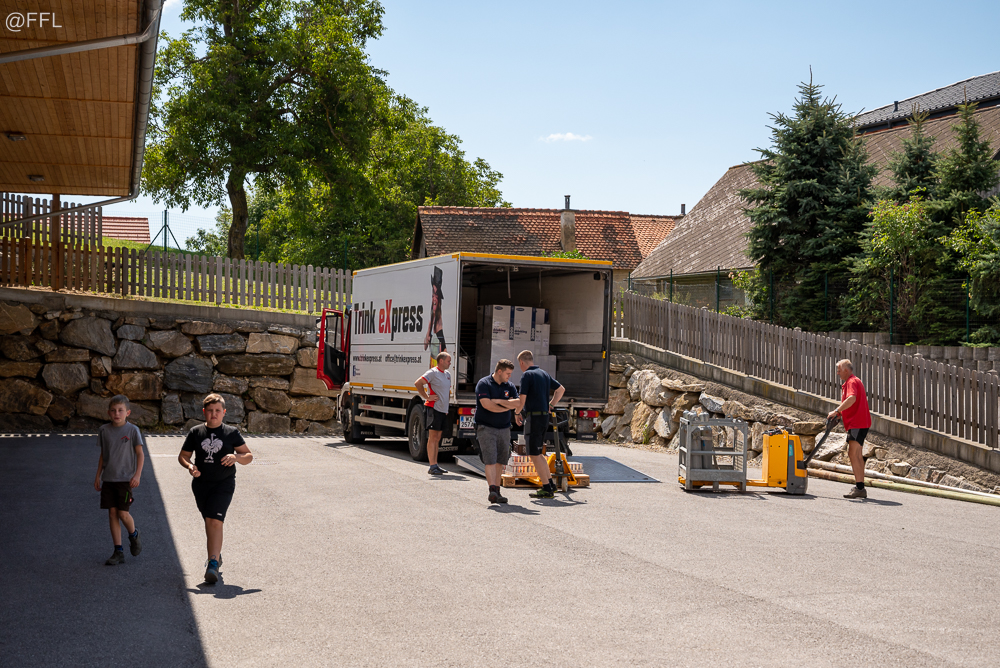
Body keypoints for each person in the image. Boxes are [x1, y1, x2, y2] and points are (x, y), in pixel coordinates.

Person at [179, 394, 254, 584]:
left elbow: (248, 456)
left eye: (218, 411)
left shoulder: (231, 433)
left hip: (224, 483)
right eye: (210, 411)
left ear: (224, 412)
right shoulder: (196, 432)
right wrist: (190, 466)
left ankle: (212, 563)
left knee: (215, 521)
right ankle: (216, 555)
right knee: (209, 520)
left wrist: (236, 457)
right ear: (204, 412)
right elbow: (183, 456)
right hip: (201, 485)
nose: (214, 414)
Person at [94, 395, 145, 566]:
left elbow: (140, 454)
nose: (117, 413)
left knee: (123, 514)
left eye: (120, 410)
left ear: (127, 412)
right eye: (113, 410)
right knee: (112, 513)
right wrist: (98, 476)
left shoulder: (132, 430)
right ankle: (118, 551)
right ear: (109, 413)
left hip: (125, 480)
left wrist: (137, 475)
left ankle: (134, 534)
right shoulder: (104, 430)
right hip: (109, 479)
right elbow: (103, 455)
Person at [513, 350, 566, 499]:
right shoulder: (544, 373)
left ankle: (547, 488)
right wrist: (551, 404)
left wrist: (517, 412)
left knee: (534, 454)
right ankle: (550, 484)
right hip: (543, 417)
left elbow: (522, 400)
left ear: (522, 362)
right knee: (538, 453)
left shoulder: (527, 375)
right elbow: (561, 389)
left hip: (534, 418)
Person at [474, 359, 522, 504]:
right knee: (490, 459)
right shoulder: (484, 383)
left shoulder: (510, 386)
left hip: (504, 428)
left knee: (501, 460)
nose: (509, 376)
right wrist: (507, 406)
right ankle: (492, 490)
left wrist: (499, 401)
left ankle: (498, 491)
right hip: (486, 427)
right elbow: (487, 405)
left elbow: (518, 403)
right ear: (499, 371)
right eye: (508, 373)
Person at [827, 359, 872, 500]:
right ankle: (860, 487)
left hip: (857, 423)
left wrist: (836, 411)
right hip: (860, 422)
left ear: (846, 370)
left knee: (854, 454)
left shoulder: (852, 382)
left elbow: (852, 399)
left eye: (839, 370)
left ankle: (860, 488)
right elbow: (852, 402)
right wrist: (840, 413)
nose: (837, 373)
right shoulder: (854, 381)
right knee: (856, 454)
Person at [415, 351, 453, 475]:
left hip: (442, 410)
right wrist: (427, 397)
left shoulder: (447, 374)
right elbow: (418, 383)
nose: (450, 363)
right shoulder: (433, 372)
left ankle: (436, 464)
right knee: (432, 437)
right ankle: (432, 466)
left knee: (438, 438)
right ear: (441, 361)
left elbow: (446, 393)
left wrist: (446, 408)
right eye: (448, 361)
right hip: (433, 408)